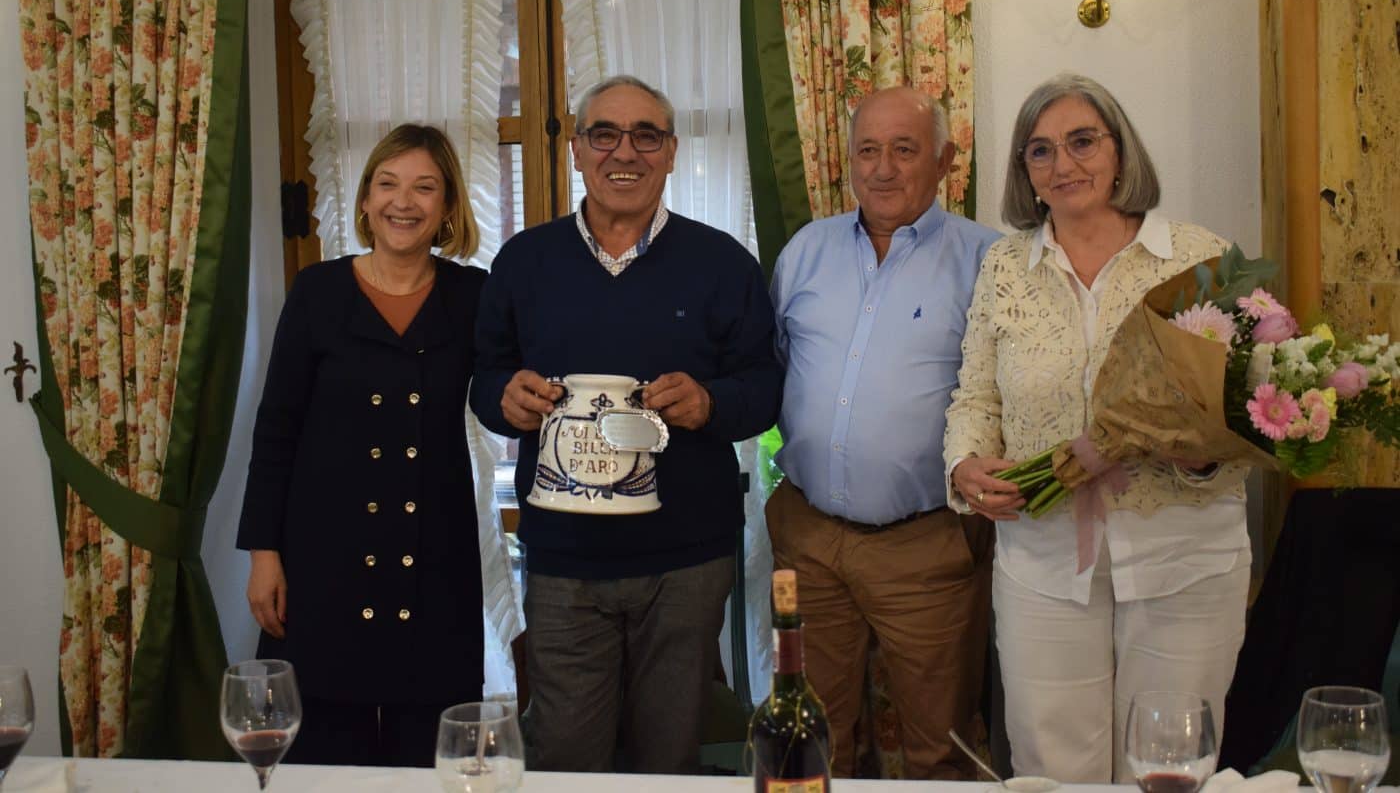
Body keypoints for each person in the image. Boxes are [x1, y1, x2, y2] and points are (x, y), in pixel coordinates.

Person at [470, 74, 782, 774]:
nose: (625, 151)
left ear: (672, 153)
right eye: (604, 133)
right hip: (562, 557)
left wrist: (710, 403)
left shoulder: (723, 263)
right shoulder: (524, 261)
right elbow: (487, 376)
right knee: (565, 754)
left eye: (647, 135)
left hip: (687, 562)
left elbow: (764, 389)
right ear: (577, 151)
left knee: (667, 758)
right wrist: (505, 399)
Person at [944, 74, 1250, 782]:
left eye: (1082, 141)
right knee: (1053, 768)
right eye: (1040, 151)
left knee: (1168, 767)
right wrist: (965, 465)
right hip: (1043, 560)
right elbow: (976, 397)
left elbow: (1244, 412)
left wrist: (1203, 453)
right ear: (1025, 170)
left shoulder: (1200, 257)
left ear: (1120, 150)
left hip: (1185, 557)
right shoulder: (1004, 267)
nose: (1064, 164)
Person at [767, 86, 1000, 779]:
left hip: (927, 546)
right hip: (808, 539)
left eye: (905, 149)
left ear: (945, 161)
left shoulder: (990, 260)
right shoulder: (805, 251)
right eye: (868, 150)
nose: (884, 168)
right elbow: (776, 370)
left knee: (940, 745)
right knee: (811, 733)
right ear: (848, 161)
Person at [237, 124, 486, 767]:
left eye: (424, 187)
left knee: (428, 758)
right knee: (321, 758)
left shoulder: (474, 297)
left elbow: (513, 388)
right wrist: (264, 555)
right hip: (324, 558)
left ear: (448, 206)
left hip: (432, 557)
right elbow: (276, 430)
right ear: (367, 198)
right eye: (388, 183)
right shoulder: (317, 292)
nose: (403, 202)